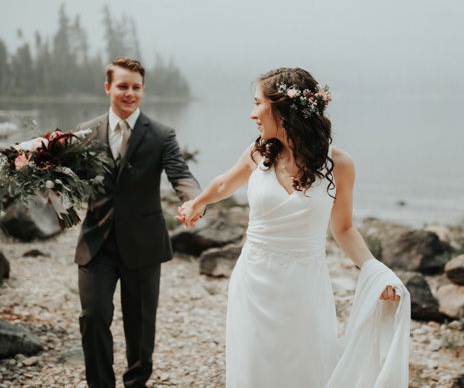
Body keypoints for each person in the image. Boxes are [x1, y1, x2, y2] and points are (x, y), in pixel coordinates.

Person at [177, 67, 410, 387]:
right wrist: (198, 202)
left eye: (257, 103)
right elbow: (224, 184)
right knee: (253, 368)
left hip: (305, 287)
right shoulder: (258, 151)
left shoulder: (338, 165)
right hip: (253, 282)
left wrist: (375, 270)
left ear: (283, 110)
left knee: (307, 368)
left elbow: (343, 229)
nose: (251, 114)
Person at [75, 57, 201, 388]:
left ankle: (136, 383)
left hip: (144, 243)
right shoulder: (85, 133)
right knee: (93, 317)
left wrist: (193, 200)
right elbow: (63, 176)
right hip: (96, 243)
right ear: (108, 88)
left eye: (136, 87)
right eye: (123, 86)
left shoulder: (161, 134)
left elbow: (180, 173)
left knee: (141, 325)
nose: (130, 93)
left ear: (143, 90)